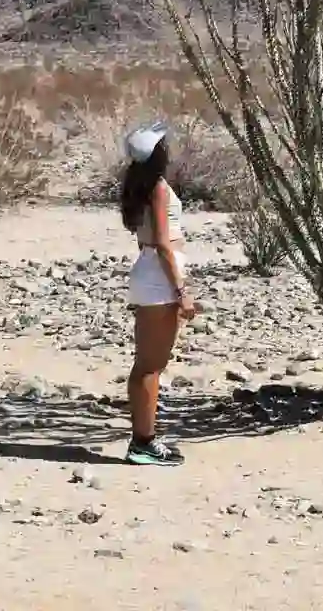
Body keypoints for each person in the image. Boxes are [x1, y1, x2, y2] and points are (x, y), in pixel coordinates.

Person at [120, 122, 197, 466]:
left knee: (147, 364)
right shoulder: (158, 188)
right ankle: (143, 443)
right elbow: (164, 244)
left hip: (148, 271)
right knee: (151, 366)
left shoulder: (139, 185)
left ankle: (144, 439)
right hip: (158, 277)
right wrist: (181, 291)